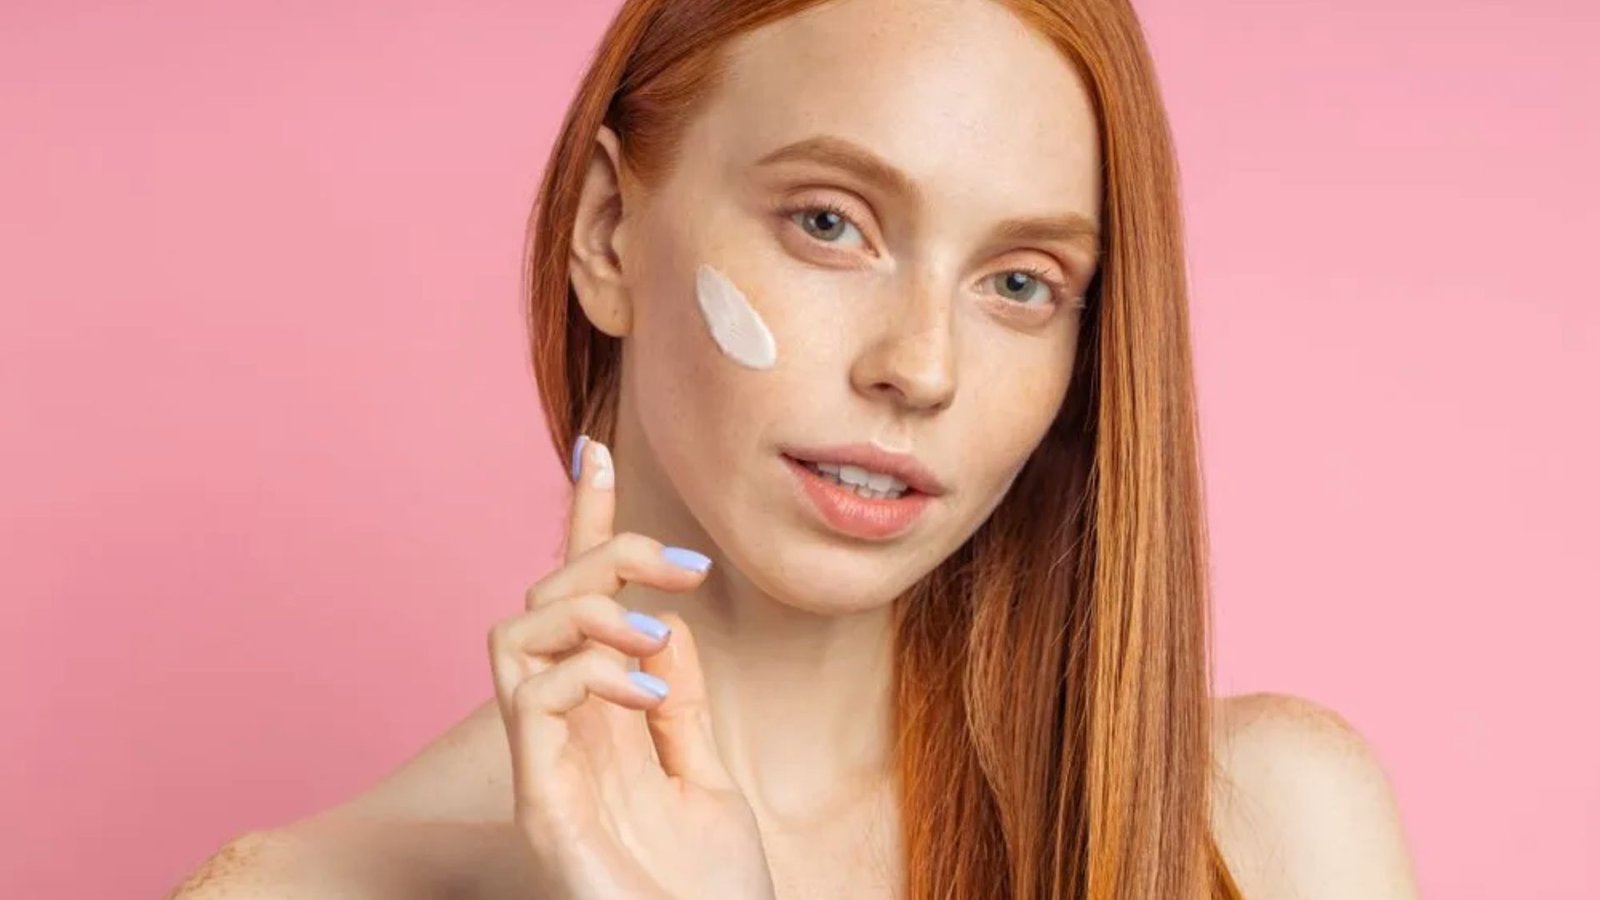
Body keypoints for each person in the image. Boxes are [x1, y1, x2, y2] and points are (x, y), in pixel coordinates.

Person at [171, 0, 1420, 897]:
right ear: (608, 230)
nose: (920, 366)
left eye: (1022, 284)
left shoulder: (1263, 832)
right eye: (830, 223)